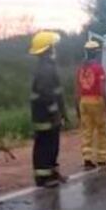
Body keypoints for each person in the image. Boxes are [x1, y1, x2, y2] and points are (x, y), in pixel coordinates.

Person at [28, 31, 68, 187]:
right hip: (45, 116)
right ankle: (43, 177)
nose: (55, 49)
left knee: (51, 145)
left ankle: (51, 173)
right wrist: (55, 112)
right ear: (48, 48)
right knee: (45, 145)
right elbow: (47, 95)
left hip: (46, 115)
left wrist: (61, 112)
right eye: (53, 46)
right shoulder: (46, 69)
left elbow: (56, 92)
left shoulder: (47, 66)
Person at [77, 40, 106, 169]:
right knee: (102, 130)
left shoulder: (81, 68)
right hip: (96, 100)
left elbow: (78, 89)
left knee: (87, 131)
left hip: (83, 101)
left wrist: (77, 105)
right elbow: (102, 89)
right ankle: (102, 158)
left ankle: (87, 159)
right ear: (96, 53)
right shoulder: (98, 68)